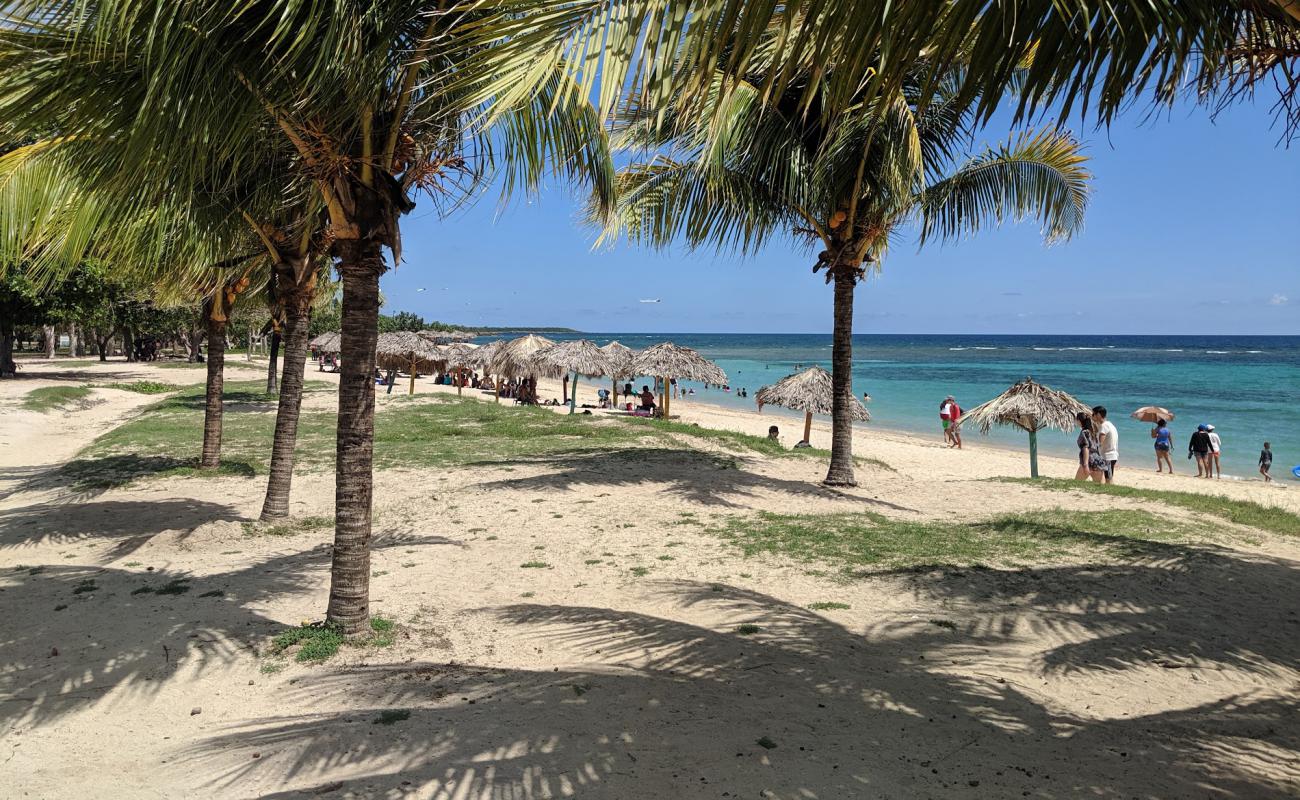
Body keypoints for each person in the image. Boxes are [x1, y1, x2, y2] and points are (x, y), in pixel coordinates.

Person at [1075, 412, 1107, 483]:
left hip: (1089, 460)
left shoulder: (1084, 432)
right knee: (1100, 486)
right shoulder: (1092, 432)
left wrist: (1086, 464)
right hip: (1097, 459)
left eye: (1076, 420)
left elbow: (1085, 448)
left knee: (1077, 483)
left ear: (1079, 421)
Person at [1093, 406, 1118, 483]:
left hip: (1108, 456)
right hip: (1110, 455)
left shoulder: (1104, 426)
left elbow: (1100, 442)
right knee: (1107, 476)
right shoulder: (1109, 424)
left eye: (1093, 414)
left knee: (1109, 478)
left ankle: (1111, 492)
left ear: (1098, 415)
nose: (1092, 416)